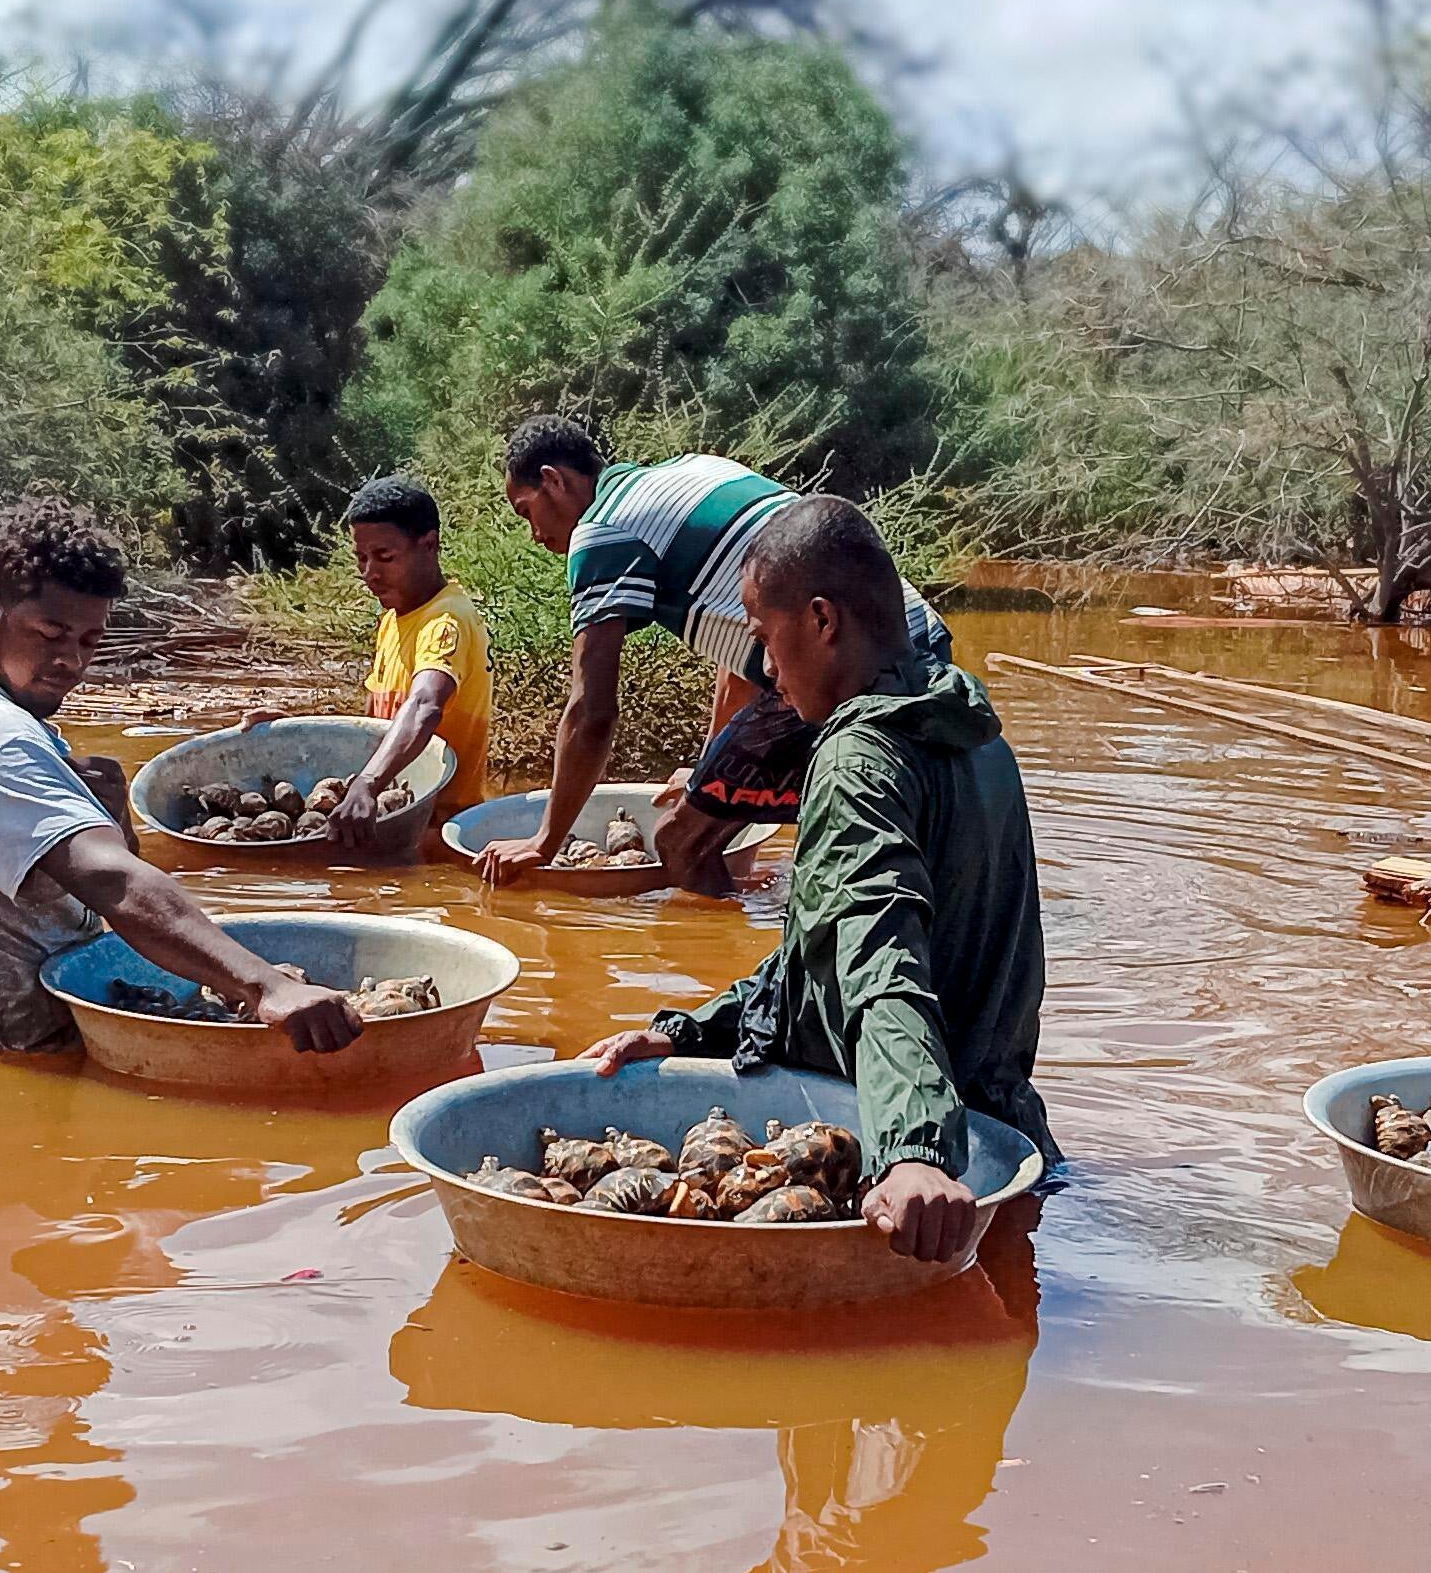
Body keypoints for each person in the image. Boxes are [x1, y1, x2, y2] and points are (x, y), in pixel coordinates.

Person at [575, 497, 1050, 1267]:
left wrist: (914, 1150)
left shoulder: (860, 761)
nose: (764, 668)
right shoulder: (968, 732)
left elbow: (881, 963)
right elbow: (823, 954)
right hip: (1004, 1150)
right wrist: (689, 1030)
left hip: (914, 1199)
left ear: (824, 621)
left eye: (767, 637)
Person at [0, 495, 362, 1060]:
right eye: (50, 632)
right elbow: (116, 883)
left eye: (88, 641)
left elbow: (95, 871)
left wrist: (106, 814)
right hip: (26, 1050)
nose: (71, 660)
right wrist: (267, 986)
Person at [480, 417, 950, 899]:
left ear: (554, 480)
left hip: (843, 669)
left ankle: (745, 930)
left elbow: (591, 710)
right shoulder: (690, 469)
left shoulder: (600, 531)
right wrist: (708, 770)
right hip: (917, 643)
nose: (534, 534)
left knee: (679, 842)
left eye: (526, 511)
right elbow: (742, 653)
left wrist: (544, 841)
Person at [330, 473, 492, 867]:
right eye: (361, 559)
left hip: (437, 837)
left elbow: (424, 706)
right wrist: (291, 731)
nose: (370, 573)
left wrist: (367, 784)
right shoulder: (392, 619)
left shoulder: (445, 620)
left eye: (385, 557)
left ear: (429, 545)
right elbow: (373, 731)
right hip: (391, 822)